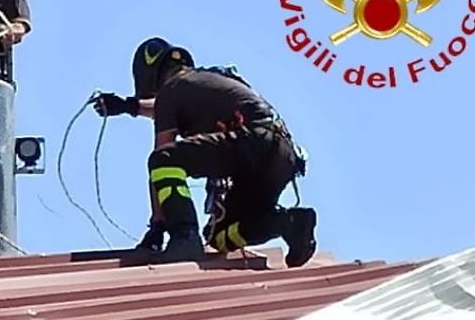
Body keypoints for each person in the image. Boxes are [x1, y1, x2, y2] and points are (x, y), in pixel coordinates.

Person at [92, 37, 318, 267]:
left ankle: (184, 236)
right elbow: (168, 108)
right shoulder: (207, 80)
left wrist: (159, 225)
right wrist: (128, 106)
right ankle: (288, 223)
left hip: (252, 143)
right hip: (281, 155)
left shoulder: (172, 89)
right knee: (219, 236)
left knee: (162, 161)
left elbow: (162, 152)